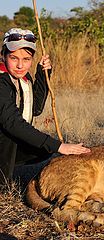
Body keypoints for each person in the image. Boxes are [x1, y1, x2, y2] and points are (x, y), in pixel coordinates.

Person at [0, 28, 91, 185]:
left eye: (26, 59)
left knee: (43, 149)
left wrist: (43, 74)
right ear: (3, 55)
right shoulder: (2, 81)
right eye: (14, 58)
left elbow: (35, 109)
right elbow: (12, 123)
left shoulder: (21, 77)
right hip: (5, 138)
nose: (20, 65)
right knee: (11, 135)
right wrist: (59, 146)